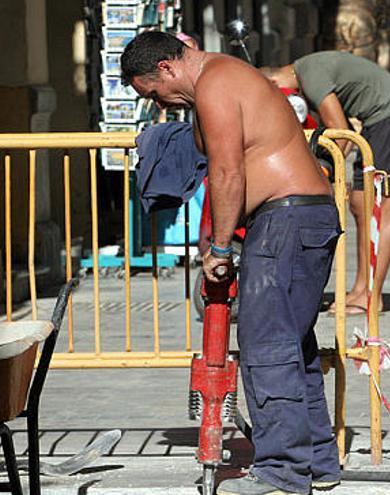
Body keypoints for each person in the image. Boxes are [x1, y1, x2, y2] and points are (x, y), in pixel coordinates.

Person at [121, 32, 342, 494]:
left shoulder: (216, 83)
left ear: (166, 68)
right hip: (304, 217)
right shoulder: (226, 75)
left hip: (287, 220)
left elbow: (227, 170)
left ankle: (281, 471)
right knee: (293, 345)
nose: (161, 105)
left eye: (154, 94)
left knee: (265, 346)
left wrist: (220, 249)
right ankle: (317, 462)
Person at [262, 52, 390, 315]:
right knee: (360, 204)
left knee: (379, 208)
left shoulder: (309, 76)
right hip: (377, 121)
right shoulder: (306, 72)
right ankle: (360, 289)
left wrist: (324, 174)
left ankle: (372, 296)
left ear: (275, 85)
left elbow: (340, 128)